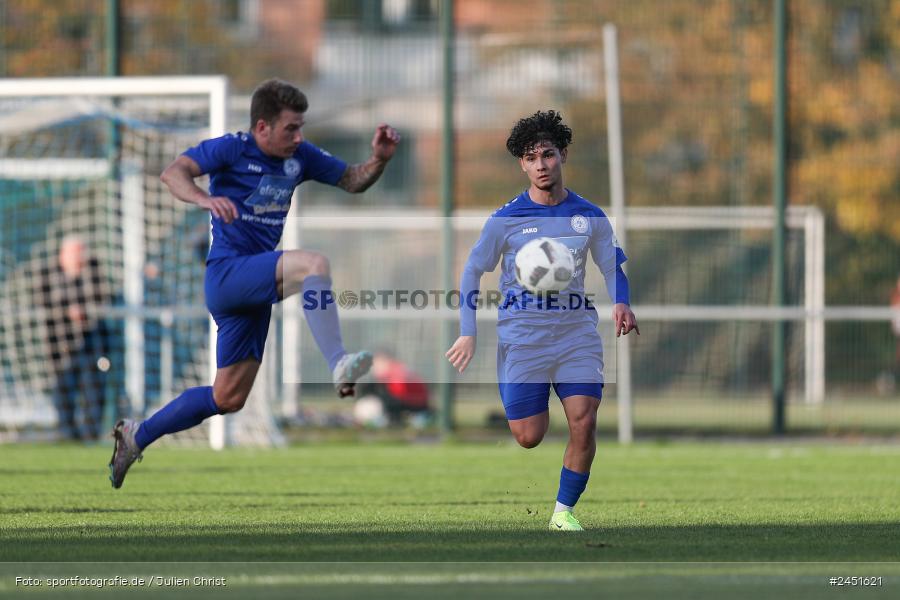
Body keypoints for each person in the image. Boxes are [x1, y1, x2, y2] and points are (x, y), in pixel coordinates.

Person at [109, 79, 400, 488]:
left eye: (300, 128)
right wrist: (204, 199)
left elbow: (352, 180)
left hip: (255, 288)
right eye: (290, 129)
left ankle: (137, 435)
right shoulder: (232, 148)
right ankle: (338, 361)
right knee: (314, 264)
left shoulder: (300, 156)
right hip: (229, 274)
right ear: (262, 127)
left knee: (227, 397)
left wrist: (379, 160)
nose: (298, 137)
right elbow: (173, 173)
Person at [445, 110, 639, 531]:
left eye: (547, 155)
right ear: (522, 164)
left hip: (576, 335)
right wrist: (467, 332)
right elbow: (472, 271)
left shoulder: (588, 216)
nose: (541, 165)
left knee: (584, 420)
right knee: (529, 435)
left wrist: (622, 302)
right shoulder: (505, 220)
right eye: (531, 158)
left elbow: (612, 267)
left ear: (562, 155)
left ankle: (562, 514)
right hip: (523, 337)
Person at [37, 236, 114, 441]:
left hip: (91, 344)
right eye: (75, 253)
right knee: (63, 389)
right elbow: (44, 302)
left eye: (81, 252)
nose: (80, 257)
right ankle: (67, 432)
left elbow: (104, 298)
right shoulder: (49, 275)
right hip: (61, 345)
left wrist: (85, 312)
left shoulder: (93, 274)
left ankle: (91, 433)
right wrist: (67, 312)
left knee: (93, 389)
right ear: (63, 255)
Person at [355, 349, 430, 426]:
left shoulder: (396, 372)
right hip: (418, 405)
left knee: (378, 397)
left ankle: (389, 419)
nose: (374, 368)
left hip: (414, 407)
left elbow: (400, 395)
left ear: (385, 361)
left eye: (377, 364)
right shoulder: (398, 369)